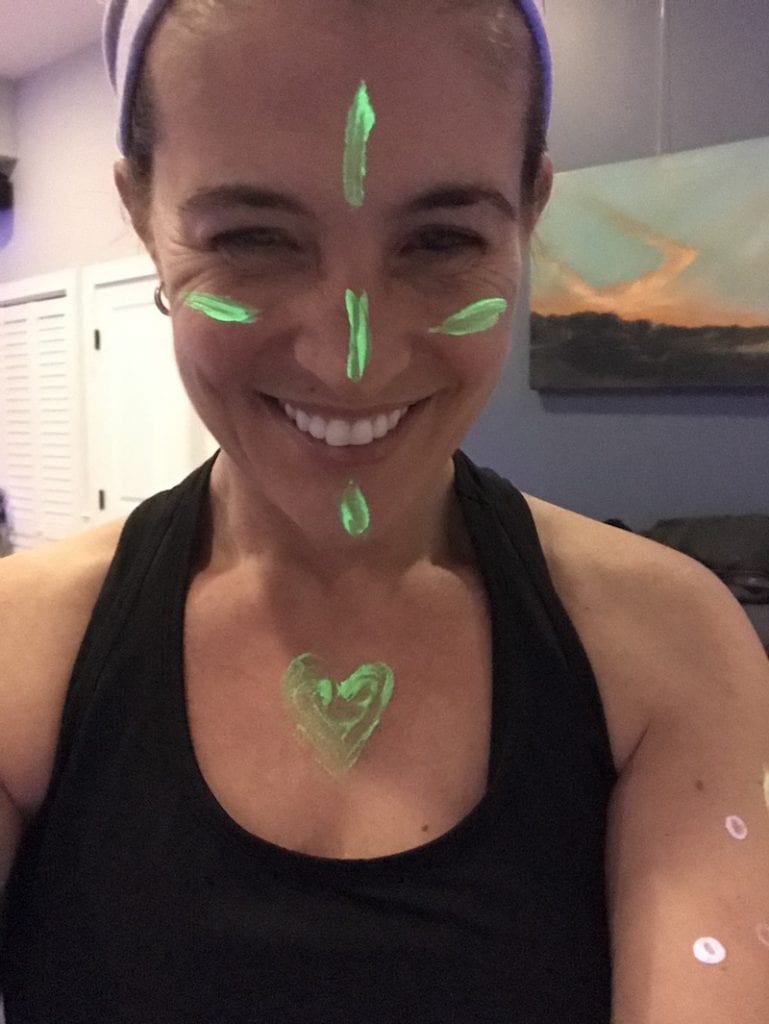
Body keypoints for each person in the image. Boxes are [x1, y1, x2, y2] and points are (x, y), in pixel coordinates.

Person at [1, 1, 768, 1021]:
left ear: (526, 214)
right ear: (145, 217)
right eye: (252, 239)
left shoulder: (670, 646)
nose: (349, 360)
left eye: (440, 241)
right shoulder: (20, 650)